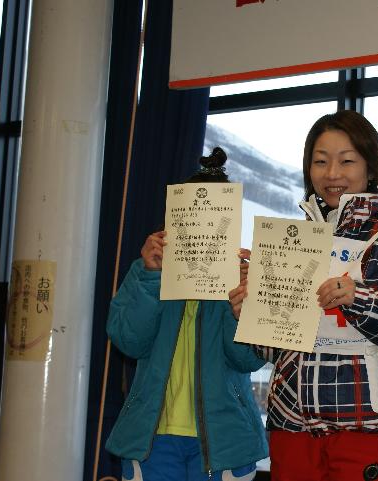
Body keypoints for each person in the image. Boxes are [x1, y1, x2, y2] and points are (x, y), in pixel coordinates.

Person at [229, 110, 378, 481]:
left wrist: (357, 299)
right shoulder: (294, 241)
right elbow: (276, 352)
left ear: (371, 168)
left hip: (369, 428)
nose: (332, 173)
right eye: (320, 161)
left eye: (347, 161)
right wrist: (252, 313)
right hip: (292, 427)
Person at [105, 148, 268, 481]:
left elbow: (248, 360)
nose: (203, 227)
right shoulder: (148, 270)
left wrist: (240, 307)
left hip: (224, 438)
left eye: (215, 217)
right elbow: (128, 341)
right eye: (192, 215)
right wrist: (151, 277)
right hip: (152, 437)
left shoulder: (242, 279)